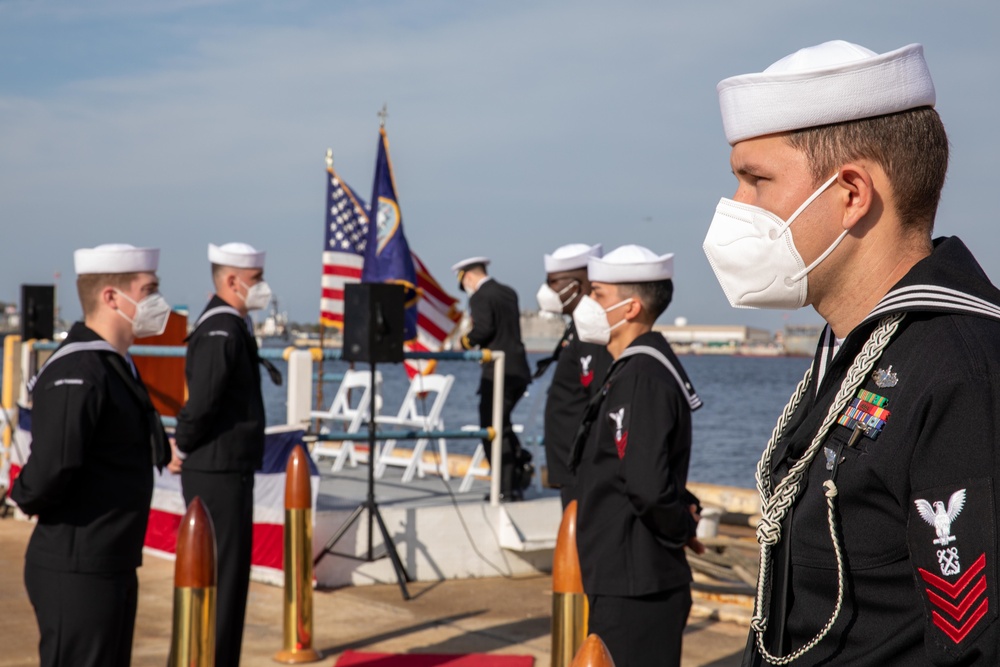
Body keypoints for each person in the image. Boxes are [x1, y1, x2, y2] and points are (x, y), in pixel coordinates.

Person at [704, 41, 1000, 666]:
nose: (735, 208)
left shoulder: (959, 369)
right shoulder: (856, 345)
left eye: (756, 180)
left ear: (852, 193)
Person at [11, 244, 172, 667]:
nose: (158, 301)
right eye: (149, 289)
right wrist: (21, 495)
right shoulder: (78, 369)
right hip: (77, 564)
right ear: (112, 297)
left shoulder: (117, 365)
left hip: (111, 558)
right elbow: (54, 466)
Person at [569, 244, 704, 667]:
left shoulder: (643, 375)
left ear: (630, 308)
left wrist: (681, 525)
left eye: (599, 294)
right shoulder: (633, 368)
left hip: (637, 581)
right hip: (622, 573)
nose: (588, 304)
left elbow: (646, 484)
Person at [174, 242, 272, 667]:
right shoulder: (222, 329)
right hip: (217, 472)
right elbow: (202, 403)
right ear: (233, 281)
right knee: (221, 582)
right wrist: (182, 443)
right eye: (257, 280)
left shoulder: (230, 325)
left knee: (227, 582)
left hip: (226, 469)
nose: (263, 288)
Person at [534, 243, 612, 507]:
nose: (546, 291)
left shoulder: (594, 333)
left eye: (553, 282)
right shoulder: (578, 328)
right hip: (571, 464)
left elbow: (598, 398)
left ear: (576, 286)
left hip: (583, 466)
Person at [452, 256, 532, 500]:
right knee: (503, 424)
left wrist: (464, 342)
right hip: (518, 369)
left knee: (491, 428)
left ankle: (505, 487)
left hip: (498, 374)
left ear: (468, 277)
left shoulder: (480, 296)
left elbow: (484, 329)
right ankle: (519, 467)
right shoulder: (509, 292)